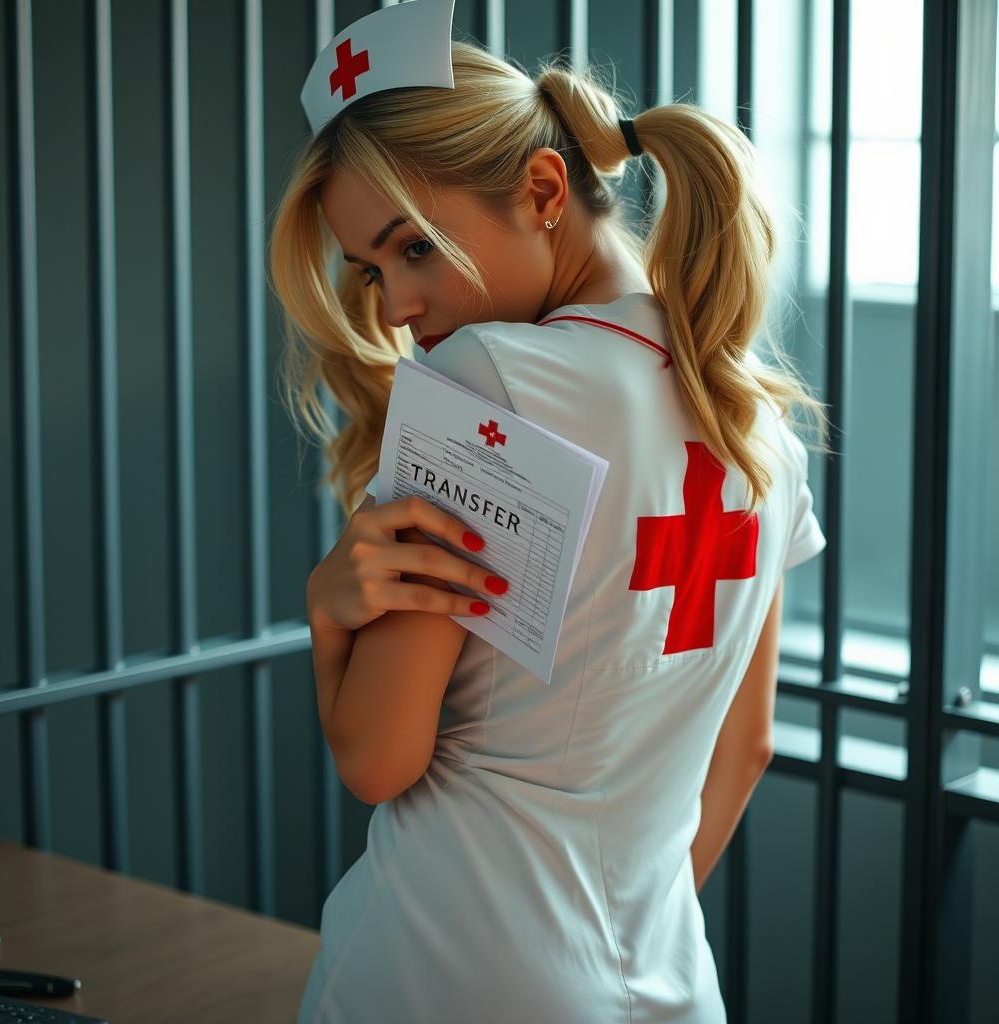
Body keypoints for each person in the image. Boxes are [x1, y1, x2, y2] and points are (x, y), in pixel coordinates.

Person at [269, 2, 831, 1021]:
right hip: (664, 975)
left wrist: (325, 617)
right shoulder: (758, 429)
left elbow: (376, 757)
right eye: (370, 270)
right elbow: (745, 752)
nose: (394, 307)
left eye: (415, 251)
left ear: (541, 190)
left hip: (443, 963)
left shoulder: (482, 379)